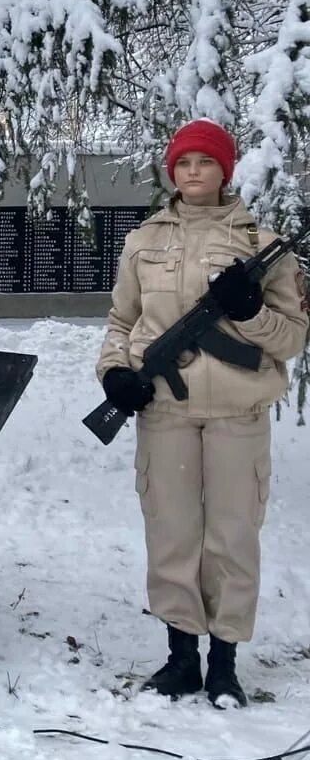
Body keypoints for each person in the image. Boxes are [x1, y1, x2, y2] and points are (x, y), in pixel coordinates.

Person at [96, 118, 307, 708]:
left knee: (233, 538)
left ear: (225, 171)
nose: (193, 172)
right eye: (183, 162)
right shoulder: (143, 240)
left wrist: (249, 315)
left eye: (205, 162)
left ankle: (225, 665)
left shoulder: (257, 245)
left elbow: (290, 339)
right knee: (172, 534)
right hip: (165, 412)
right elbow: (120, 322)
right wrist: (115, 373)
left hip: (238, 413)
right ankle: (181, 657)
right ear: (171, 171)